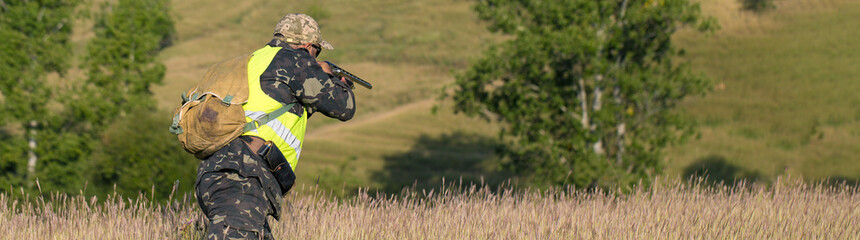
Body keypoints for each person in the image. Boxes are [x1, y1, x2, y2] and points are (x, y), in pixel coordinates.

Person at [195, 13, 355, 239]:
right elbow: (343, 106)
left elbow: (280, 109)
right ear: (308, 46)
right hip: (242, 177)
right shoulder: (295, 61)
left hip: (224, 174)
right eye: (316, 50)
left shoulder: (256, 59)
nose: (314, 57)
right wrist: (338, 82)